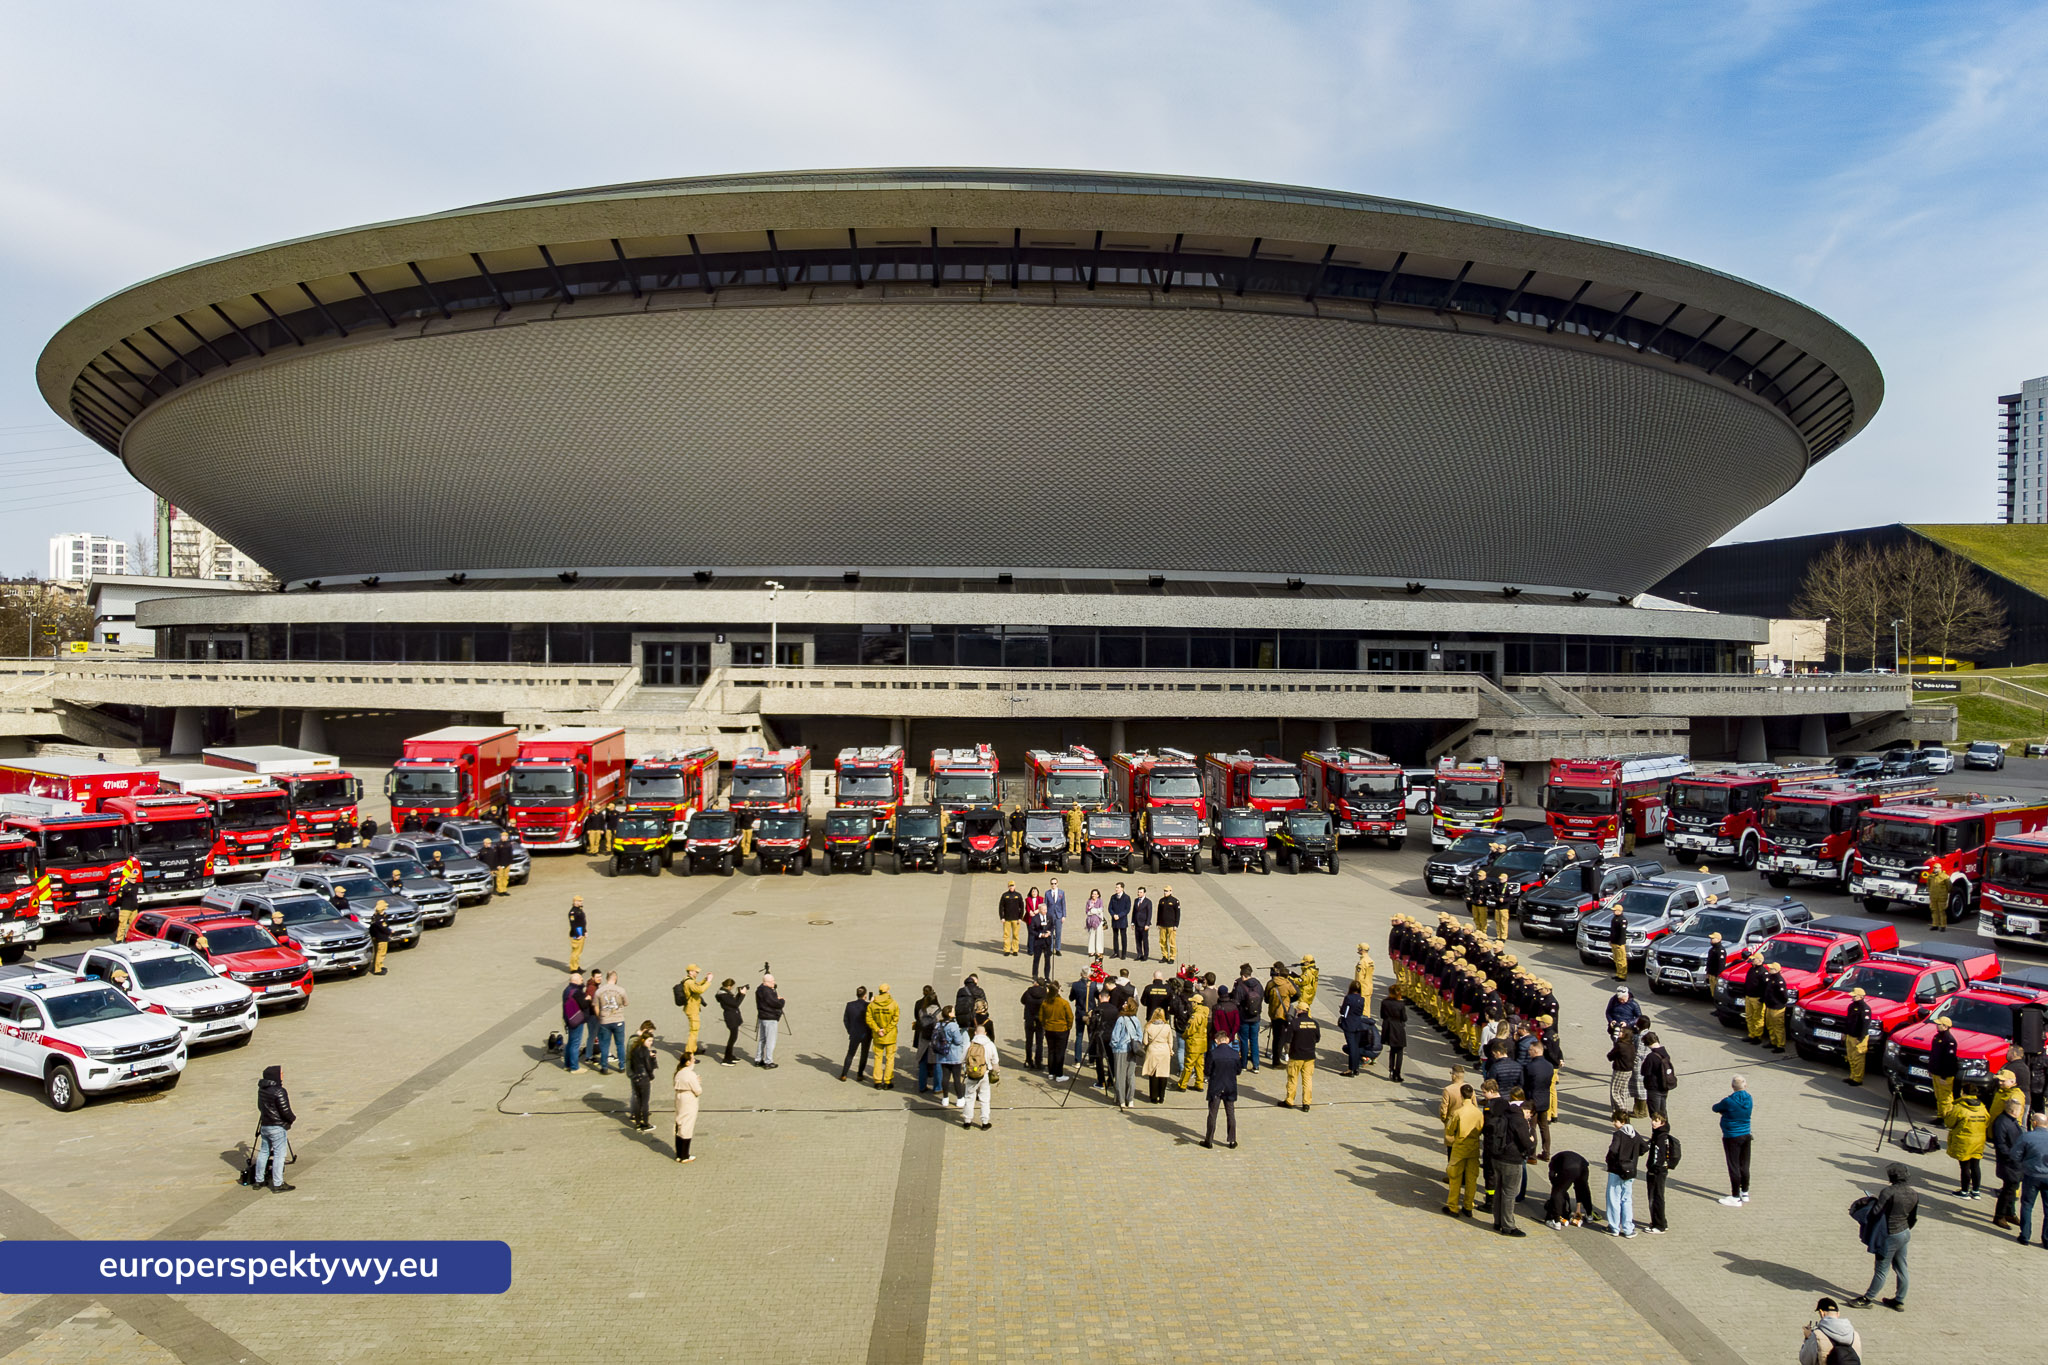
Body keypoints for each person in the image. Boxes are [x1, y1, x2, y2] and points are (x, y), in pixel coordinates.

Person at [1849, 1164, 1918, 1311]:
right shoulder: (1913, 1193)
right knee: (1901, 1267)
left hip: (1890, 1235)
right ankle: (1899, 1300)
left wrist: (1871, 1201)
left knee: (1881, 1269)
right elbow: (1913, 1218)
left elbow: (1875, 1213)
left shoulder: (1888, 1191)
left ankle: (1868, 1298)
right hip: (1904, 1232)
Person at [251, 1064, 296, 1193]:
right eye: (281, 1073)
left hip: (265, 1125)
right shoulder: (279, 1091)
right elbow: (285, 1110)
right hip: (277, 1127)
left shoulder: (262, 1089)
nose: (282, 1075)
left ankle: (259, 1180)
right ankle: (278, 1183)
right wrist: (292, 1119)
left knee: (264, 1152)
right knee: (279, 1154)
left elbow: (260, 1107)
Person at [1443, 1084, 1484, 1217]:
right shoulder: (1479, 1113)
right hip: (1474, 1147)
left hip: (1460, 1147)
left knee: (1455, 1177)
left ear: (1461, 1096)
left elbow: (1450, 1130)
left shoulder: (1458, 1112)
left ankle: (1453, 1207)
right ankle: (1468, 1206)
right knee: (1472, 1178)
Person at [1713, 1075, 1753, 1205]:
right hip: (1746, 1135)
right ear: (1745, 1086)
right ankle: (1745, 1192)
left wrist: (1725, 1113)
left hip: (1732, 1136)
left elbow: (1715, 1108)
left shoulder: (1729, 1101)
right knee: (1745, 1165)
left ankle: (1735, 1196)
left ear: (1732, 1087)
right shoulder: (1749, 1098)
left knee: (1734, 1166)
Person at [1604, 1110, 1644, 1237]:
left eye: (1616, 1121)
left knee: (1613, 1198)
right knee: (1626, 1199)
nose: (1614, 1123)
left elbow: (1613, 1151)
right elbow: (1644, 1147)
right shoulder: (1635, 1134)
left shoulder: (1618, 1135)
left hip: (1617, 1170)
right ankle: (1628, 1228)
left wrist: (1609, 1160)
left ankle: (1614, 1227)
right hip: (1630, 1171)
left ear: (1623, 1122)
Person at [1945, 1084, 1989, 1199]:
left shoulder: (1959, 1107)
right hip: (1978, 1140)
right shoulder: (1982, 1107)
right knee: (1975, 1166)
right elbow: (1987, 1121)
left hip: (1963, 1141)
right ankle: (1976, 1191)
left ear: (1963, 1092)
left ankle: (1964, 1191)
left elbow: (1949, 1123)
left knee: (1964, 1166)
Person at [1202, 1034, 1242, 1149]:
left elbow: (1207, 1071)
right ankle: (1232, 1140)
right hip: (1230, 1087)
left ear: (1216, 1041)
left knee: (1212, 1114)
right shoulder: (1234, 1054)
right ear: (1228, 1040)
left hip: (1216, 1087)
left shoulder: (1213, 1054)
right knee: (1230, 1113)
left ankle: (1209, 1140)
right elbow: (1238, 1071)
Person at [1992, 1096, 2026, 1229]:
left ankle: (2010, 1213)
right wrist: (2012, 1156)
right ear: (2013, 1111)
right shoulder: (2002, 1122)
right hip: (2009, 1163)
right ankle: (1999, 1216)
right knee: (2008, 1190)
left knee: (2013, 1188)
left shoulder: (2012, 1121)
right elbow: (2001, 1144)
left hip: (2015, 1162)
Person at [1799, 1299, 1862, 1365]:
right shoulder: (1855, 1335)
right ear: (1838, 1313)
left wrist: (1807, 1338)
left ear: (1822, 1313)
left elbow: (1805, 1360)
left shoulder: (1817, 1335)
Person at [2017, 1112, 2048, 1245]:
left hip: (2031, 1176)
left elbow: (2015, 1155)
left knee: (2027, 1205)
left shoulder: (2027, 1137)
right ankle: (2046, 1240)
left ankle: (2025, 1236)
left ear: (2034, 1123)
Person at [960, 1023, 998, 1130]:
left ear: (975, 1033)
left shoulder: (969, 1044)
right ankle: (985, 1122)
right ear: (985, 1033)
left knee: (969, 1097)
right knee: (985, 1098)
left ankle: (967, 1121)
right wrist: (996, 1072)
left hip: (971, 1074)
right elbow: (995, 1061)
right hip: (985, 1074)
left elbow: (962, 1059)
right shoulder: (990, 1044)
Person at [1282, 1006, 1320, 1110]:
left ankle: (1289, 1101)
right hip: (1310, 1056)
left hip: (1296, 1056)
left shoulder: (1294, 1023)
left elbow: (1288, 1040)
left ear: (1300, 1011)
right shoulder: (1315, 1023)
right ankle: (1306, 1103)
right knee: (1307, 1080)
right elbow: (1317, 1039)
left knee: (1293, 1079)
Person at [1522, 1037, 1555, 1159]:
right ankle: (1546, 1152)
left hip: (1532, 1101)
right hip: (1545, 1099)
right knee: (1544, 1126)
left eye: (1530, 1050)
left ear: (1535, 1051)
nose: (1528, 1052)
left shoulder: (1529, 1067)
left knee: (1532, 1127)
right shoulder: (1549, 1066)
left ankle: (1532, 1154)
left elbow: (1524, 1084)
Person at [1644, 1112, 1677, 1234]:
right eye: (1653, 1120)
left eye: (1656, 1120)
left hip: (1657, 1172)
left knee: (1656, 1197)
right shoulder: (1661, 1134)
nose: (1653, 1122)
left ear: (1662, 1123)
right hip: (1661, 1171)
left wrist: (1653, 1169)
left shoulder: (1660, 1138)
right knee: (1658, 1196)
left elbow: (1658, 1156)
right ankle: (1661, 1222)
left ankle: (1659, 1225)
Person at [1543, 1150, 1593, 1229]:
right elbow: (1578, 1188)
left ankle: (1556, 1221)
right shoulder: (1560, 1157)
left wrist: (1559, 1190)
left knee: (1558, 1192)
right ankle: (1589, 1215)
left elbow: (1553, 1178)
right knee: (1584, 1189)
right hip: (1583, 1166)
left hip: (1569, 1167)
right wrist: (1578, 1209)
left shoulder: (1553, 1162)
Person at [593, 971, 629, 1075]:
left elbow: (595, 1005)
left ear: (606, 978)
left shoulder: (599, 991)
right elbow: (626, 1003)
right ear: (615, 978)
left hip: (605, 1020)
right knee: (620, 1044)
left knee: (604, 1045)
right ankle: (622, 1066)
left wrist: (599, 1017)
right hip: (618, 1020)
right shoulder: (621, 990)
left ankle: (604, 1067)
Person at [625, 1021, 658, 1129]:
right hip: (639, 1075)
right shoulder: (636, 1043)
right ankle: (641, 1119)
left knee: (638, 1097)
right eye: (650, 1039)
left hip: (635, 1073)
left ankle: (638, 1118)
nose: (651, 1042)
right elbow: (637, 1061)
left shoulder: (637, 1043)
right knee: (641, 1099)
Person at [1109, 999, 1142, 1109]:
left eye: (1125, 1003)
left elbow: (1115, 1036)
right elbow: (1140, 1035)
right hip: (1133, 1050)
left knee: (1120, 1075)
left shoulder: (1121, 1019)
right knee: (1130, 1075)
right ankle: (1130, 1099)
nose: (1123, 1004)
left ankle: (1121, 1099)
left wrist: (1113, 1046)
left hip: (1121, 1049)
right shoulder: (1135, 1019)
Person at [1233, 964, 1265, 1071]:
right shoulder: (1258, 985)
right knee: (1254, 1041)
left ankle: (1244, 1064)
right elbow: (1261, 998)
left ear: (1243, 975)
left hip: (1244, 1018)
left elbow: (1236, 1002)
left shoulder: (1241, 986)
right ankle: (1256, 1065)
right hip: (1256, 1017)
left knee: (1244, 1041)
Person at [672, 1052, 702, 1163]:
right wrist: (697, 1083)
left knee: (679, 1123)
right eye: (693, 1059)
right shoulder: (690, 1074)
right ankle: (685, 1155)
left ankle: (679, 1154)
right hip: (689, 1099)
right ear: (688, 1062)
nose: (694, 1061)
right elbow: (698, 1090)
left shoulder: (679, 1073)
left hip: (679, 1098)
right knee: (687, 1125)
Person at [1040, 981, 1073, 1082]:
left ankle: (1051, 1072)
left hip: (1049, 1029)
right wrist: (1068, 1027)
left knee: (1051, 1051)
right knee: (1060, 1052)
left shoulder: (1045, 1003)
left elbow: (1041, 1016)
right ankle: (1059, 1074)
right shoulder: (1064, 1003)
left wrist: (1045, 1025)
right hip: (1062, 1029)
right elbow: (1070, 1017)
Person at [1179, 988, 1210, 1091]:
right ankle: (1199, 1084)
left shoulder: (1196, 1016)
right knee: (1200, 1065)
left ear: (1196, 1003)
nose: (1192, 1004)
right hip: (1202, 1042)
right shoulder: (1205, 1013)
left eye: (1193, 1002)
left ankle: (1182, 1084)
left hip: (1194, 1043)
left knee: (1188, 1065)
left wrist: (1184, 1036)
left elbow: (1190, 1029)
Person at [840, 986, 873, 1083]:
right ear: (865, 996)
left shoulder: (849, 1005)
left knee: (850, 1054)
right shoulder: (868, 1006)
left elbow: (845, 1020)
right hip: (866, 1034)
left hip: (854, 1033)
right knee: (864, 1054)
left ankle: (844, 1074)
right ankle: (859, 1074)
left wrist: (850, 1030)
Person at [1640, 1030, 1674, 1121]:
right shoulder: (1665, 1053)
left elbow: (1644, 1072)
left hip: (1654, 1088)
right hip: (1664, 1086)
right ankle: (1665, 1131)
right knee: (1663, 1111)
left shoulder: (1651, 1057)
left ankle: (1659, 1133)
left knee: (1655, 1114)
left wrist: (1644, 1062)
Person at [1930, 1016, 1960, 1120]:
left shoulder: (1949, 1041)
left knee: (1945, 1098)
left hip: (1944, 1075)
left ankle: (1947, 1118)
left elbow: (1949, 1060)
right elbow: (1934, 1055)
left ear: (1946, 1026)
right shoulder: (1937, 1037)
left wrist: (1944, 1075)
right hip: (1936, 1072)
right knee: (1938, 1095)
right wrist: (1931, 1069)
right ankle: (1940, 1116)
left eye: (1939, 1024)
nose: (1936, 1026)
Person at [1338, 981, 1370, 1076]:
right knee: (1355, 1047)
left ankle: (1351, 1069)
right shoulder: (1362, 999)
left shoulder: (1348, 998)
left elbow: (1344, 1011)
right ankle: (1355, 1068)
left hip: (1349, 1024)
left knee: (1351, 1047)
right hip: (1357, 1024)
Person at [1607, 1025, 1639, 1120]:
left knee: (1615, 1092)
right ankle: (1618, 1113)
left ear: (1625, 1035)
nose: (1619, 1033)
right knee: (1623, 1092)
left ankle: (1622, 1111)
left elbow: (1610, 1056)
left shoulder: (1620, 1046)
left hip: (1620, 1070)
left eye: (1621, 1032)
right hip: (1629, 1071)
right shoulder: (1631, 1045)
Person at [561, 971, 590, 1073]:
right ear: (576, 981)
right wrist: (588, 998)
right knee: (575, 1043)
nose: (583, 981)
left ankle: (567, 1064)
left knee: (570, 1042)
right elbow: (584, 1005)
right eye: (581, 979)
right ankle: (574, 1067)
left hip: (569, 1019)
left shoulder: (566, 990)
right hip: (576, 1020)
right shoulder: (577, 992)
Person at [1843, 988, 1872, 1086]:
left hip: (1858, 1038)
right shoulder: (1851, 1006)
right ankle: (1852, 1076)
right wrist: (1845, 1033)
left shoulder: (1865, 1008)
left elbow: (1865, 1025)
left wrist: (1860, 1039)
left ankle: (1858, 1079)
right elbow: (1848, 1021)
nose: (1852, 997)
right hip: (1850, 1035)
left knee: (1858, 1059)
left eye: (1854, 996)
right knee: (1850, 1057)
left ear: (1861, 996)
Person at [753, 973, 784, 1068]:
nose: (774, 983)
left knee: (762, 1039)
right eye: (772, 981)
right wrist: (781, 1000)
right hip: (770, 1017)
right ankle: (768, 1061)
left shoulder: (759, 989)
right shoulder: (767, 991)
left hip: (762, 1016)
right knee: (771, 1040)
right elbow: (775, 1003)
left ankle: (758, 1059)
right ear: (766, 982)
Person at [715, 978, 747, 1066]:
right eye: (732, 986)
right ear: (728, 986)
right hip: (730, 1017)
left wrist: (740, 993)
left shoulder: (725, 993)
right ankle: (726, 1059)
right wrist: (743, 994)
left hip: (732, 1016)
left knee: (733, 1037)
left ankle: (730, 1056)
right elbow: (736, 1004)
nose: (732, 988)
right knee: (732, 1038)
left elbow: (733, 1002)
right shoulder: (724, 995)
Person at [1380, 986, 1408, 1083]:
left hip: (1388, 1027)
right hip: (1398, 1028)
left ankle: (1391, 1070)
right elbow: (1404, 1018)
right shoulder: (1401, 1004)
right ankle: (1397, 1073)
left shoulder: (1384, 1002)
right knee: (1399, 1051)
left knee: (1392, 1050)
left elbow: (1382, 1015)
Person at [1761, 963, 1791, 1053]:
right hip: (1770, 1006)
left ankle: (1780, 1045)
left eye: (1771, 969)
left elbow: (1784, 996)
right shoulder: (1771, 978)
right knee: (1770, 1025)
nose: (1769, 970)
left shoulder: (1779, 981)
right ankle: (1773, 1041)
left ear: (1776, 970)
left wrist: (1778, 1003)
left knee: (1778, 1026)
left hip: (1777, 1008)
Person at [679, 965, 707, 1058]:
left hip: (691, 1008)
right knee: (694, 1031)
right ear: (690, 971)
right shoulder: (689, 982)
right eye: (696, 972)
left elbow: (697, 985)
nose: (697, 973)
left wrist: (705, 980)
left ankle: (694, 1048)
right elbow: (699, 989)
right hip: (692, 1009)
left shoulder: (688, 980)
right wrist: (709, 982)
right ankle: (689, 1054)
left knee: (695, 1031)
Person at [1019, 979, 1045, 1074]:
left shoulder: (1028, 991)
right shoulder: (1044, 993)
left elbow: (1022, 1000)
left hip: (1029, 1018)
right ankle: (1038, 1062)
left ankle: (1028, 1060)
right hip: (1040, 1020)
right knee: (1039, 1042)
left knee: (1029, 1041)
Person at [1743, 951, 1768, 1045]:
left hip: (1757, 998)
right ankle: (1751, 1034)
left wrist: (1762, 998)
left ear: (1760, 961)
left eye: (1754, 959)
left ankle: (1758, 1036)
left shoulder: (1763, 972)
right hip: (1749, 996)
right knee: (1749, 1016)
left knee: (1758, 1017)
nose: (1752, 960)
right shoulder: (1751, 969)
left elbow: (1765, 987)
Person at [1027, 891, 1054, 978]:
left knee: (1047, 960)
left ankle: (1047, 977)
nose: (1045, 911)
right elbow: (1031, 930)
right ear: (1039, 910)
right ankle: (1035, 976)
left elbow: (1052, 926)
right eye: (1043, 910)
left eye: (1046, 909)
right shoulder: (1035, 919)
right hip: (1038, 942)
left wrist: (1050, 932)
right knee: (1036, 960)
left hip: (1047, 942)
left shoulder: (1049, 917)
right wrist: (1040, 935)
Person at [998, 880, 1025, 956]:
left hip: (1016, 919)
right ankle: (1007, 950)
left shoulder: (1018, 895)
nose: (1011, 887)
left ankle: (1015, 950)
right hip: (1007, 919)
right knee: (1006, 935)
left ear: (1015, 886)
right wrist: (1002, 917)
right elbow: (1001, 907)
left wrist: (1020, 917)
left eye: (1012, 885)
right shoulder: (1004, 895)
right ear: (1008, 886)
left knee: (1015, 935)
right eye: (1010, 886)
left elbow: (1022, 907)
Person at [1156, 885, 1181, 962]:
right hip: (1163, 925)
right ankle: (1165, 956)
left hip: (1171, 925)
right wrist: (1158, 923)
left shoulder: (1175, 901)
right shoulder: (1161, 900)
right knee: (1162, 941)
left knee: (1172, 942)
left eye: (1167, 891)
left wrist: (1176, 925)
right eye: (1164, 891)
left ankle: (1172, 957)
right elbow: (1159, 912)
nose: (1165, 892)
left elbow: (1178, 914)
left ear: (1171, 891)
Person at [1045, 878, 1068, 956]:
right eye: (1052, 883)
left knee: (1058, 933)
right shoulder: (1047, 893)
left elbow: (1063, 904)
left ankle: (1057, 949)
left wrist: (1064, 915)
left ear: (1057, 884)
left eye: (1055, 883)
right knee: (1050, 933)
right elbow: (1045, 905)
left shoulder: (1061, 892)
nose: (1053, 885)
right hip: (1050, 916)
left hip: (1059, 915)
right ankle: (1050, 949)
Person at [1108, 883, 1131, 959]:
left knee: (1123, 937)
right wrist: (1113, 914)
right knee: (1115, 937)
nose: (1116, 889)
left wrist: (1119, 915)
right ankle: (1116, 952)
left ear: (1122, 889)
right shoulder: (1113, 897)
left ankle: (1124, 953)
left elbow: (1127, 909)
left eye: (1118, 887)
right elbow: (1110, 908)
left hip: (1122, 920)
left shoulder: (1126, 897)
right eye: (1116, 887)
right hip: (1114, 920)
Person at [368, 901, 392, 975]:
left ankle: (378, 966)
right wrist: (390, 931)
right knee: (381, 954)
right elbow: (384, 928)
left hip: (376, 937)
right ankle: (377, 969)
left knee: (377, 953)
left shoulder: (375, 916)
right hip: (382, 938)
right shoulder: (379, 919)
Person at [1131, 886, 1153, 961]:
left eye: (1140, 892)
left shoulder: (1148, 902)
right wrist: (1133, 922)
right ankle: (1139, 954)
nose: (1139, 893)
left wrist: (1147, 924)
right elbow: (1134, 912)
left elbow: (1149, 914)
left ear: (1144, 893)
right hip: (1137, 923)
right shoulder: (1136, 900)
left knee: (1145, 941)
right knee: (1138, 940)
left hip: (1144, 924)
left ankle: (1146, 955)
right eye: (1138, 892)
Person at [1608, 901, 1629, 981]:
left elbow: (1622, 933)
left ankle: (1622, 976)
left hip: (1619, 943)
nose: (1613, 912)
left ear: (1619, 911)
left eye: (1615, 910)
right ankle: (1618, 973)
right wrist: (1611, 940)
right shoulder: (1615, 918)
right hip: (1614, 942)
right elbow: (1613, 931)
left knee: (1621, 959)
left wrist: (1620, 943)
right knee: (1616, 959)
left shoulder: (1622, 920)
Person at [1927, 863, 1951, 932]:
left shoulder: (1945, 877)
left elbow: (1949, 886)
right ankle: (1935, 925)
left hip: (1941, 897)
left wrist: (1945, 893)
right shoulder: (1931, 876)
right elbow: (1928, 885)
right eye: (1934, 868)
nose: (1935, 869)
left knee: (1942, 911)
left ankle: (1943, 926)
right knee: (1934, 911)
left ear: (1940, 868)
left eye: (1936, 868)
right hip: (1933, 896)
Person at [567, 895, 587, 973]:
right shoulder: (573, 912)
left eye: (581, 901)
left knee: (579, 952)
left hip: (581, 932)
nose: (581, 902)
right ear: (574, 902)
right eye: (579, 901)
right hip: (576, 934)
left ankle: (576, 966)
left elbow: (582, 922)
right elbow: (573, 924)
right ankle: (573, 968)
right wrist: (577, 934)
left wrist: (585, 931)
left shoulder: (579, 909)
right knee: (575, 952)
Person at [1084, 888, 1106, 957]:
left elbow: (1101, 909)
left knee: (1099, 936)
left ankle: (1099, 951)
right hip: (1090, 921)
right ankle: (1091, 951)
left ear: (1098, 895)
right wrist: (1094, 911)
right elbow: (1087, 911)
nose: (1094, 895)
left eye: (1095, 894)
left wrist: (1093, 910)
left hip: (1099, 921)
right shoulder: (1088, 902)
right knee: (1091, 936)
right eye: (1093, 894)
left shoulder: (1100, 901)